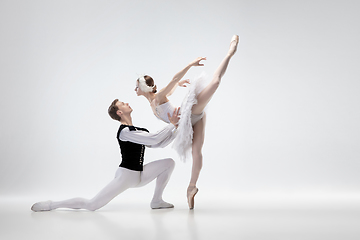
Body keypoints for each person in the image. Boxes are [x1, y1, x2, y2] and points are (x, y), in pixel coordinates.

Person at [134, 35, 239, 209]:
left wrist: (190, 65)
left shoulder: (158, 97)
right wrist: (178, 85)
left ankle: (230, 52)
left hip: (190, 112)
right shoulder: (154, 103)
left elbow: (173, 80)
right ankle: (191, 188)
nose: (135, 89)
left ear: (144, 88)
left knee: (215, 82)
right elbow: (173, 87)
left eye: (137, 86)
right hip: (189, 123)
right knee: (197, 152)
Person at [31, 100, 180, 212]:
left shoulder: (139, 130)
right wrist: (172, 125)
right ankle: (52, 204)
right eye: (122, 103)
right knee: (92, 205)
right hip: (126, 176)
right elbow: (154, 138)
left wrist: (177, 130)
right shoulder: (124, 132)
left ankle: (156, 200)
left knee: (169, 163)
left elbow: (157, 144)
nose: (126, 103)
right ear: (119, 112)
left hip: (139, 175)